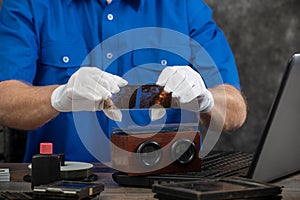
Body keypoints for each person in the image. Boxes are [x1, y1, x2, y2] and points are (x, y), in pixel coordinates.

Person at [0, 0, 247, 163]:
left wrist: (205, 99)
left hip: (165, 186)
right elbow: (5, 99)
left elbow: (235, 109)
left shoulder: (184, 6)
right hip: (62, 184)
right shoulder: (29, 4)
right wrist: (59, 97)